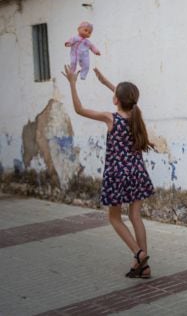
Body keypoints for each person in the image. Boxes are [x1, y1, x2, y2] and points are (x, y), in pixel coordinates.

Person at [61, 65, 155, 279]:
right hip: (137, 172)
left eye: (114, 94)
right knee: (135, 216)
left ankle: (139, 254)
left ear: (116, 100)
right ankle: (145, 267)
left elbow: (79, 109)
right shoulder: (135, 117)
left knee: (114, 218)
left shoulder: (111, 118)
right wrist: (106, 83)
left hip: (117, 174)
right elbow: (128, 99)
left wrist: (73, 83)